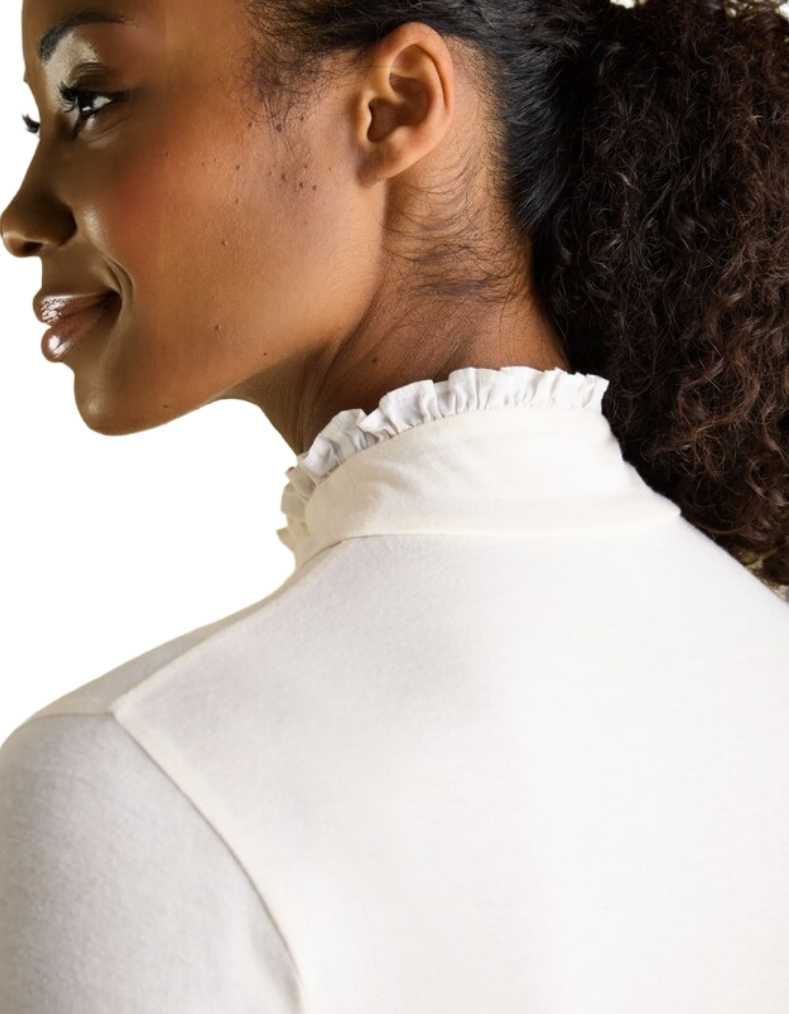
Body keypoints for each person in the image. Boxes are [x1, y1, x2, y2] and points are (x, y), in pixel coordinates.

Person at [0, 0, 788, 1008]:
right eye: (41, 123)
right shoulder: (761, 664)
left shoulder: (136, 779)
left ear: (396, 106)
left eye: (92, 99)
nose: (21, 217)